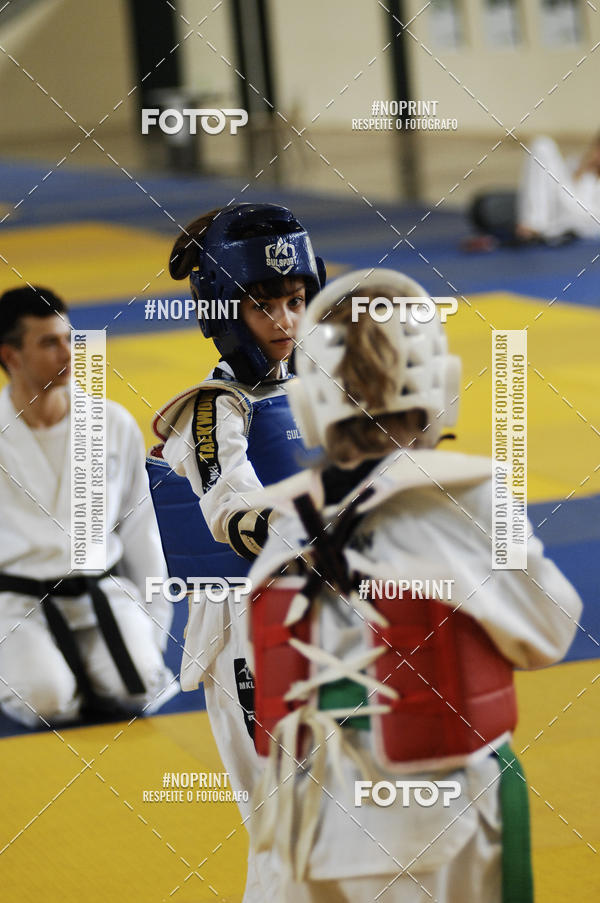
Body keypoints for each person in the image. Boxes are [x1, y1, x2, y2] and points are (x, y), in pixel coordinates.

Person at [244, 268, 583, 902]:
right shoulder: (472, 497)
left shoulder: (287, 515)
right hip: (435, 823)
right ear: (438, 382)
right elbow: (549, 631)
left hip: (302, 829)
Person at [146, 202, 325, 901]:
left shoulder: (321, 392)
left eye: (295, 300)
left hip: (322, 615)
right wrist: (325, 528)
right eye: (263, 305)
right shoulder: (212, 409)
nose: (284, 320)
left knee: (340, 817)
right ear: (225, 310)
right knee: (284, 822)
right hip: (246, 632)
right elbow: (234, 514)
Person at [0, 286, 176, 728]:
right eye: (49, 342)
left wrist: (156, 620)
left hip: (101, 589)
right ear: (11, 356)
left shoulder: (111, 423)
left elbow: (140, 529)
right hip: (16, 601)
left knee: (138, 688)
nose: (69, 352)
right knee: (48, 701)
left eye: (69, 338)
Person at [466, 133, 600, 250]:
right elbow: (552, 185)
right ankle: (533, 224)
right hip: (555, 208)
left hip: (581, 218)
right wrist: (583, 170)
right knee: (543, 144)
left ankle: (533, 228)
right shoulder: (578, 165)